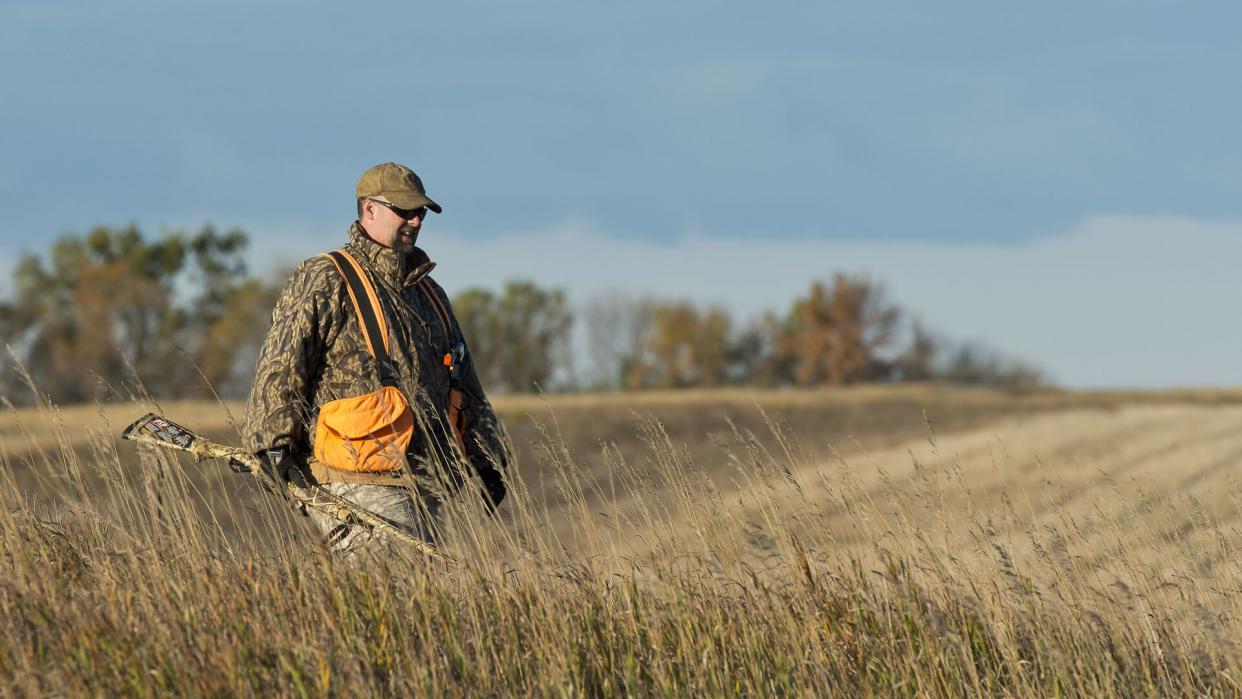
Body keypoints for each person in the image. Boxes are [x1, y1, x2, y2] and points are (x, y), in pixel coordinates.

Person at [242, 162, 508, 555]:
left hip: (424, 482)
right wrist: (272, 442)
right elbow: (282, 362)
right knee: (396, 589)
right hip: (353, 479)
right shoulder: (326, 276)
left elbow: (465, 382)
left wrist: (487, 459)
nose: (415, 221)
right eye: (405, 210)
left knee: (416, 603)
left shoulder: (429, 293)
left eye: (420, 212)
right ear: (369, 209)